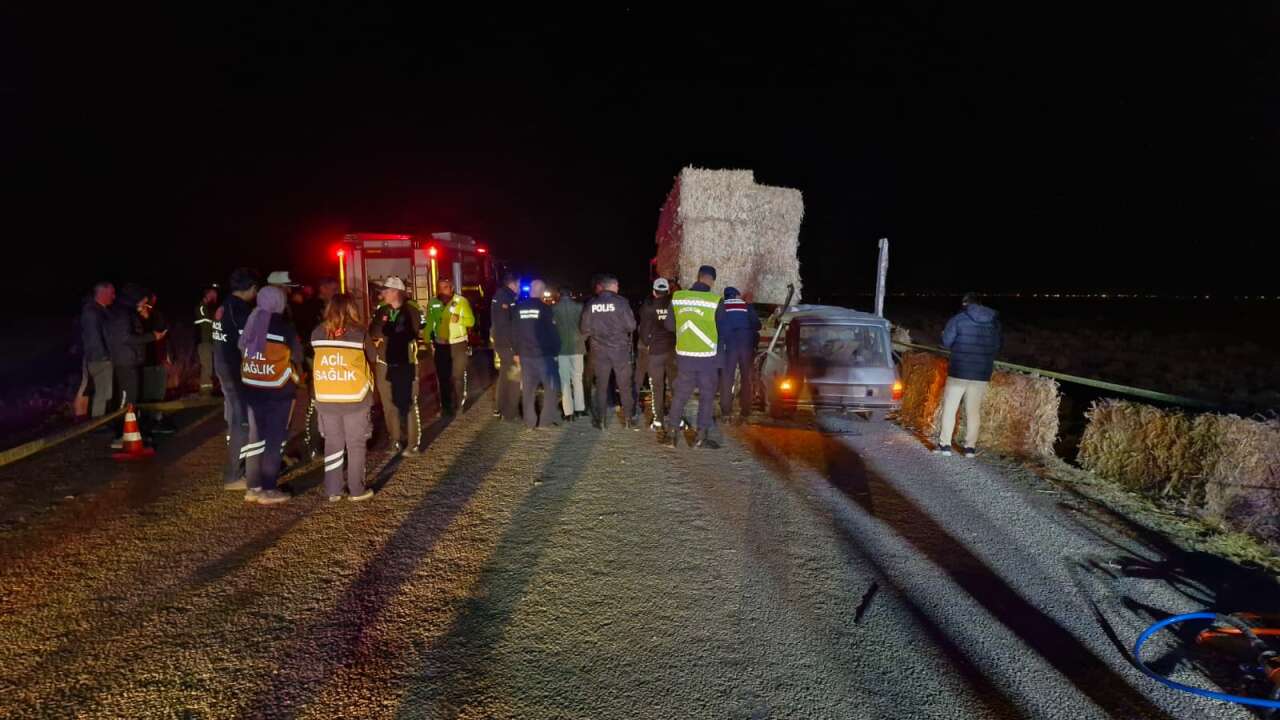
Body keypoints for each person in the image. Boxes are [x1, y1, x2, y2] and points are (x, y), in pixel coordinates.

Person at [239, 286, 303, 504]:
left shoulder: (250, 324)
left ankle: (252, 487)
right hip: (278, 390)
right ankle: (268, 489)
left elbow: (242, 350)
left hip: (252, 387)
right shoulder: (285, 327)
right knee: (274, 440)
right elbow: (298, 356)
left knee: (255, 438)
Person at [311, 293, 376, 502]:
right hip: (355, 396)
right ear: (352, 309)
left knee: (332, 443)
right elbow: (373, 357)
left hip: (327, 395)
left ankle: (333, 489)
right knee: (355, 444)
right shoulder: (359, 333)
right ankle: (356, 490)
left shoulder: (317, 332)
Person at [659, 265, 725, 449]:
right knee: (706, 396)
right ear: (712, 281)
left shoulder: (678, 298)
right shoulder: (716, 301)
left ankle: (671, 435)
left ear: (698, 277)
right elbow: (722, 331)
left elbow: (669, 325)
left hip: (685, 356)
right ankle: (700, 438)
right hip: (707, 359)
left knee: (680, 395)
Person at [936, 292, 1003, 458]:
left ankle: (945, 446)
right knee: (973, 411)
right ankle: (969, 449)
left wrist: (944, 335)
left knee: (950, 408)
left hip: (959, 371)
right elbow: (997, 347)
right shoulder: (994, 322)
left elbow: (946, 342)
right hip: (981, 373)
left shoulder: (958, 319)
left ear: (966, 303)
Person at [212, 268, 259, 491]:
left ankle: (239, 468)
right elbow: (247, 344)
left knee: (235, 419)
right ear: (251, 288)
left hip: (223, 366)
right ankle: (233, 476)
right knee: (242, 422)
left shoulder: (224, 305)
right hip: (235, 370)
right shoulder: (239, 310)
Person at [107, 285, 165, 445]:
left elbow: (135, 332)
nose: (145, 304)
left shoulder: (129, 312)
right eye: (143, 301)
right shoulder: (122, 314)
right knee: (126, 400)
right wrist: (152, 336)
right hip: (125, 362)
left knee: (133, 399)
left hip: (131, 361)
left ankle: (132, 431)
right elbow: (125, 338)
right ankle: (120, 434)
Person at [580, 273, 638, 430]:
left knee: (601, 386)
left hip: (599, 351)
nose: (618, 288)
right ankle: (628, 420)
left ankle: (602, 421)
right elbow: (631, 326)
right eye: (617, 285)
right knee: (624, 386)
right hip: (620, 351)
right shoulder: (622, 302)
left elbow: (584, 328)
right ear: (612, 286)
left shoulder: (591, 304)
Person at [371, 277, 422, 454]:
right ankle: (395, 440)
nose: (382, 294)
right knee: (388, 404)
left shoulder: (411, 311)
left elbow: (408, 333)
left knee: (408, 403)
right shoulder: (382, 310)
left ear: (395, 292)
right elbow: (374, 331)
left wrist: (388, 331)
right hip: (384, 363)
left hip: (405, 363)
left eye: (385, 291)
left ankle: (413, 443)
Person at [513, 279, 561, 428]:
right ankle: (545, 420)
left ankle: (529, 421)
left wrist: (516, 352)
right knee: (551, 387)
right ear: (541, 292)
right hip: (544, 356)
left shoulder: (519, 308)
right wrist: (556, 350)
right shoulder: (545, 309)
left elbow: (514, 332)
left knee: (528, 389)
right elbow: (552, 332)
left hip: (525, 355)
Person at [426, 278, 475, 414]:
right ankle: (446, 408)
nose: (442, 290)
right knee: (443, 378)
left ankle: (459, 403)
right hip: (441, 345)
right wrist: (428, 341)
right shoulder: (433, 303)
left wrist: (459, 319)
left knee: (457, 376)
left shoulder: (461, 301)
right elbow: (430, 323)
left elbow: (471, 321)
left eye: (445, 287)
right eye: (440, 287)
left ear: (451, 288)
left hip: (458, 344)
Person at [636, 278, 677, 430]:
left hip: (655, 352)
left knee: (657, 387)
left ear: (654, 291)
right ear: (668, 291)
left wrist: (648, 343)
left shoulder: (648, 307)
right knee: (675, 385)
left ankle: (659, 420)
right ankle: (676, 417)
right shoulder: (675, 304)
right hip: (672, 350)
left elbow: (644, 332)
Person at [717, 287, 762, 425]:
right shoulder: (745, 306)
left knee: (727, 379)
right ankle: (745, 412)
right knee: (746, 378)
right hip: (745, 346)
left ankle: (726, 413)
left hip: (728, 346)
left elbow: (717, 326)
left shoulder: (721, 307)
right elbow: (757, 325)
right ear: (737, 295)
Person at [80, 281, 116, 417]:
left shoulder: (99, 310)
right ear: (102, 293)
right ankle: (98, 422)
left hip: (101, 358)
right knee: (102, 394)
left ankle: (100, 420)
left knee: (104, 393)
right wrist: (103, 357)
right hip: (99, 359)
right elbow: (93, 337)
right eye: (111, 293)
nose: (114, 297)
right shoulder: (92, 312)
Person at [552, 287, 587, 421]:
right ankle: (580, 409)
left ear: (559, 295)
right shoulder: (580, 307)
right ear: (571, 294)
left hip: (561, 349)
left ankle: (568, 412)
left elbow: (551, 329)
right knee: (577, 379)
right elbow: (586, 327)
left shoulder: (553, 309)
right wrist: (582, 339)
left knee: (564, 381)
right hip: (577, 347)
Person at [490, 272, 521, 421]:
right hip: (508, 345)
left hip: (501, 343)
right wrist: (516, 350)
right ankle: (509, 412)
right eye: (518, 285)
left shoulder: (500, 295)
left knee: (503, 376)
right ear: (512, 284)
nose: (519, 288)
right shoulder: (507, 298)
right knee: (515, 377)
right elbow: (509, 326)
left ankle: (499, 408)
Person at [194, 285, 219, 396]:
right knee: (206, 366)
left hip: (212, 341)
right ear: (208, 295)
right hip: (204, 342)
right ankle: (205, 391)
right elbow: (205, 324)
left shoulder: (210, 309)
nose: (215, 297)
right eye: (214, 295)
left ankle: (211, 389)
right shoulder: (201, 307)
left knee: (212, 366)